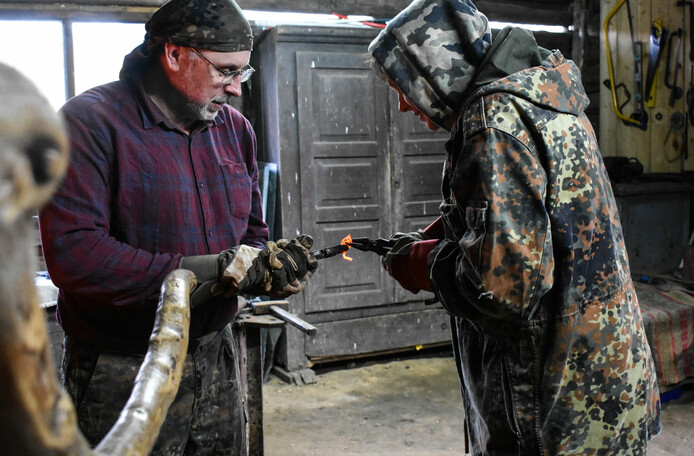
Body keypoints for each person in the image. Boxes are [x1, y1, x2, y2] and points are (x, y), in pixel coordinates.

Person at [368, 0, 662, 454]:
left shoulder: (493, 123)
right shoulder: (545, 94)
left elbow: (504, 292)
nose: (405, 104)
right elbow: (548, 219)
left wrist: (424, 265)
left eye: (404, 85)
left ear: (437, 69)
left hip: (552, 409)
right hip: (610, 381)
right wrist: (455, 230)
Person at [38, 0, 316, 454]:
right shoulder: (86, 124)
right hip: (122, 366)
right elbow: (76, 257)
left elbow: (252, 232)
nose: (236, 89)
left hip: (215, 353)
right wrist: (210, 269)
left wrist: (264, 266)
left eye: (241, 73)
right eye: (225, 72)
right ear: (173, 55)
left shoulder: (235, 131)